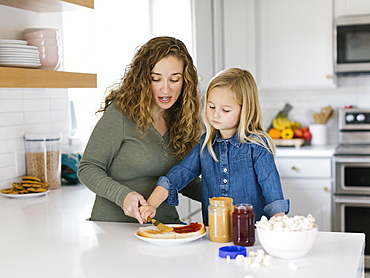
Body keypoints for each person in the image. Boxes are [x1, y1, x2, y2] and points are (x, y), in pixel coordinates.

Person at [140, 68, 290, 225]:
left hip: (251, 234)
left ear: (245, 110)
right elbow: (179, 174)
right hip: (214, 232)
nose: (215, 114)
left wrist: (278, 224)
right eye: (211, 107)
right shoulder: (206, 144)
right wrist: (151, 204)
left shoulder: (257, 146)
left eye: (225, 110)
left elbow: (272, 189)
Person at [77, 36, 203, 224]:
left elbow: (182, 178)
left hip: (164, 226)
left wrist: (223, 194)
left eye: (174, 79)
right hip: (114, 227)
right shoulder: (120, 114)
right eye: (156, 79)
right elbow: (87, 168)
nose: (165, 89)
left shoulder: (185, 119)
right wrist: (123, 196)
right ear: (144, 79)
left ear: (186, 80)